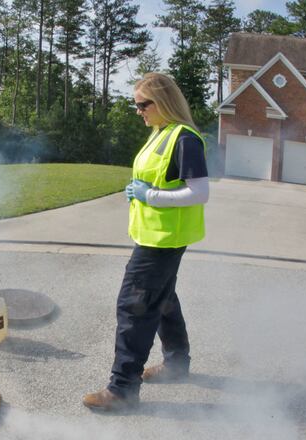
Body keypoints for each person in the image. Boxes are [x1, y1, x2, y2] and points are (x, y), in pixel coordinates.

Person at [82, 72, 210, 411]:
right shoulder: (161, 133)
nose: (139, 111)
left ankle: (122, 390)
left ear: (163, 101)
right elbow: (158, 178)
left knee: (133, 306)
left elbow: (200, 192)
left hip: (163, 240)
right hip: (156, 235)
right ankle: (176, 363)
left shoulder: (184, 137)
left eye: (143, 104)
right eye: (136, 105)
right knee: (163, 298)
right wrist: (138, 190)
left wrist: (149, 194)